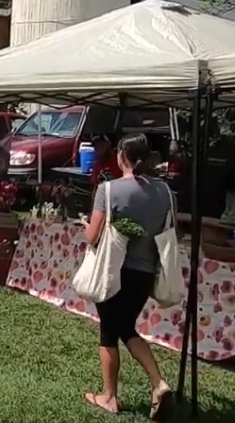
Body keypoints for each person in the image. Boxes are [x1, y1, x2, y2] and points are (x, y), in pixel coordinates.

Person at [83, 133, 173, 419]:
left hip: (114, 270)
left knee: (110, 332)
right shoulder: (165, 192)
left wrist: (85, 225)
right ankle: (158, 384)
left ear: (122, 156)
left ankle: (110, 397)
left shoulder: (109, 190)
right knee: (125, 328)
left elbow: (93, 236)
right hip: (145, 273)